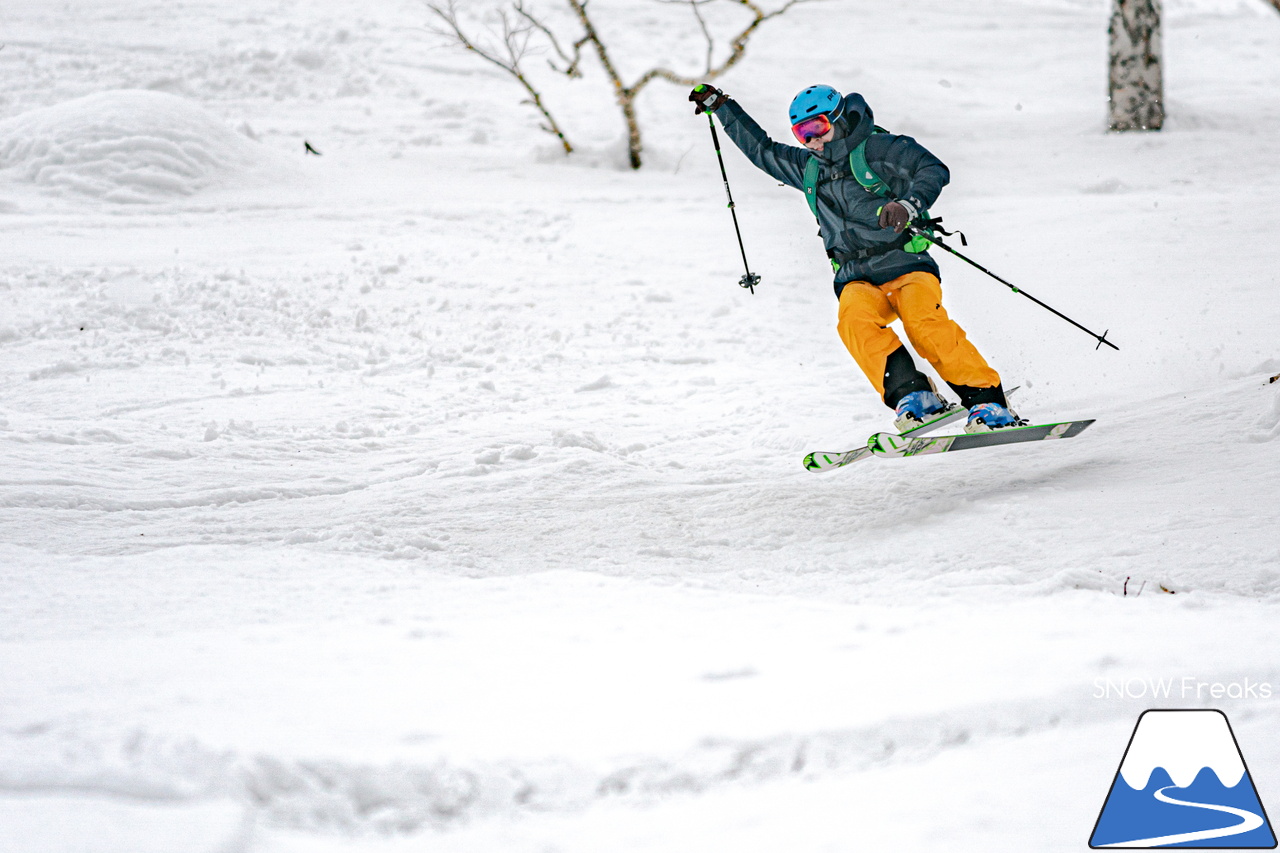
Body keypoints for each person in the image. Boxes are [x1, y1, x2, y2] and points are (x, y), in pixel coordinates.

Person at [689, 83, 1021, 433]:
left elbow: (932, 169)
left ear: (838, 119)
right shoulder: (807, 167)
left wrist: (908, 205)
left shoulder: (880, 148)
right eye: (802, 133)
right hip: (855, 275)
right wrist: (722, 107)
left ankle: (988, 400)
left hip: (906, 266)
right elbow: (762, 150)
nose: (812, 140)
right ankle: (916, 395)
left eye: (817, 127)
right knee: (854, 324)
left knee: (923, 324)